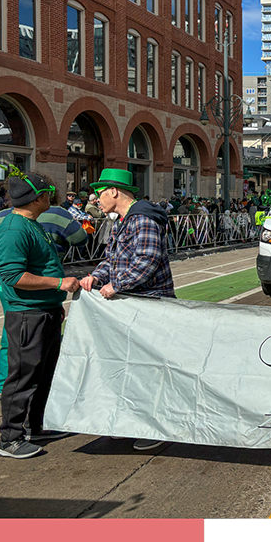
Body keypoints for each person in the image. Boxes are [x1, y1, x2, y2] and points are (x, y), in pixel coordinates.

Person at [80, 168, 175, 452]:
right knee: (129, 367)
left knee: (148, 370)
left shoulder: (141, 219)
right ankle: (130, 421)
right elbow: (113, 259)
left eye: (99, 193)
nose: (96, 199)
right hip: (135, 304)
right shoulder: (124, 220)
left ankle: (154, 426)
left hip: (150, 304)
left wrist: (116, 285)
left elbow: (148, 259)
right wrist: (97, 276)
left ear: (114, 191)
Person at [0, 174, 81, 459]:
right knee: (23, 376)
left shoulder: (31, 224)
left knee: (43, 374)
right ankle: (10, 438)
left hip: (43, 311)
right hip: (27, 314)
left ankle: (34, 425)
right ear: (37, 197)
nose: (51, 196)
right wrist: (58, 284)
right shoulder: (14, 230)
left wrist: (54, 302)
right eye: (48, 192)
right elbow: (13, 275)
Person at [0, 175, 88, 399]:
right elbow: (80, 239)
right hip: (32, 293)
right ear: (38, 198)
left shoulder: (5, 217)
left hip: (32, 293)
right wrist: (58, 276)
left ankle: (8, 387)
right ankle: (21, 402)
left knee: (12, 340)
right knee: (32, 345)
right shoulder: (45, 217)